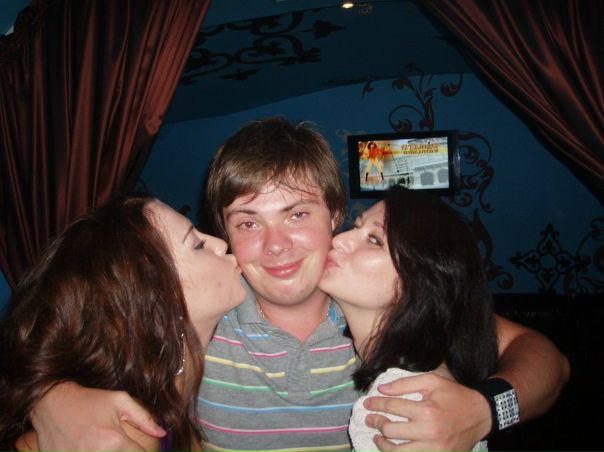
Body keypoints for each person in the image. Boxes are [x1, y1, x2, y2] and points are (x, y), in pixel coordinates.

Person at [29, 118, 569, 452]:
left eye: (296, 214)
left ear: (335, 216)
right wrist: (53, 398)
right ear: (225, 235)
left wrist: (484, 410)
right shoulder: (202, 314)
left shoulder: (386, 304)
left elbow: (546, 357)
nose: (275, 246)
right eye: (247, 223)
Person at [0, 193, 246, 451]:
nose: (220, 243)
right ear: (156, 298)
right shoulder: (123, 435)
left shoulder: (170, 395)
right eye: (196, 244)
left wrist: (50, 395)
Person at [319, 185, 499, 452]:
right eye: (356, 226)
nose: (338, 240)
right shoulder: (412, 373)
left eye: (374, 240)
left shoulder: (401, 404)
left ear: (417, 283)